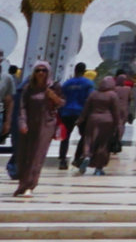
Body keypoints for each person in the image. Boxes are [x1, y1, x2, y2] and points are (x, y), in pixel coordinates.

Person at [11, 63, 63, 197]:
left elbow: (62, 103)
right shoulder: (28, 88)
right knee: (23, 155)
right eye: (38, 70)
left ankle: (30, 185)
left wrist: (53, 97)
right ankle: (22, 184)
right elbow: (22, 107)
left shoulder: (53, 87)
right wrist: (22, 122)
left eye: (44, 70)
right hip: (29, 124)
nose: (41, 73)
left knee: (37, 156)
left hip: (46, 124)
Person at [78, 74, 126, 175]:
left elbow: (86, 109)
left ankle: (86, 156)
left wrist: (80, 120)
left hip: (93, 119)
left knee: (88, 140)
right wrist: (119, 125)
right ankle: (98, 168)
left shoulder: (93, 94)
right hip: (107, 121)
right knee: (103, 144)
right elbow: (116, 112)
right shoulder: (112, 95)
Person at [56, 64, 93, 170]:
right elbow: (89, 99)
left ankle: (62, 161)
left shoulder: (67, 83)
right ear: (84, 71)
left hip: (67, 112)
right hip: (80, 112)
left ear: (75, 70)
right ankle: (77, 158)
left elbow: (61, 96)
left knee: (65, 138)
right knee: (84, 136)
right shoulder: (88, 83)